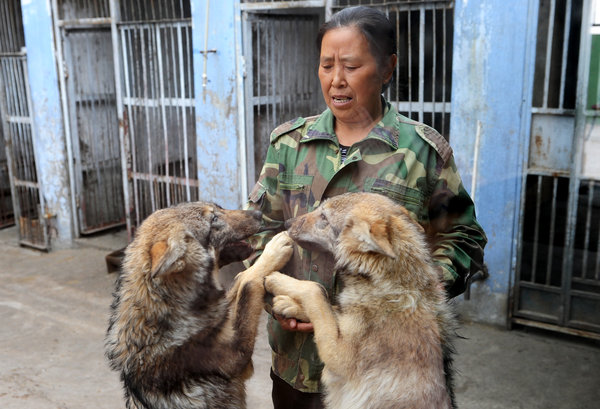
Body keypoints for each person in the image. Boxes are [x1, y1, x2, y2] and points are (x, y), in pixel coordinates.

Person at [245, 6, 487, 409]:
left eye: (352, 65)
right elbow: (261, 231)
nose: (336, 80)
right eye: (326, 65)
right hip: (296, 366)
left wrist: (413, 295)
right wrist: (275, 299)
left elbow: (463, 237)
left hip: (386, 372)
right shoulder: (288, 145)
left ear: (387, 68)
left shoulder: (421, 153)